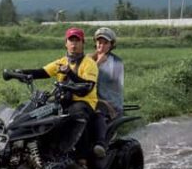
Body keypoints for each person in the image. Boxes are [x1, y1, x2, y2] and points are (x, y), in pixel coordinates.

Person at [16, 27, 98, 157]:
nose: (74, 44)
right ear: (66, 43)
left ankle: (80, 155)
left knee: (74, 115)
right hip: (63, 100)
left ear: (83, 43)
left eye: (77, 41)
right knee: (36, 111)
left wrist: (69, 73)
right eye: (71, 40)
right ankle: (32, 145)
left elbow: (87, 88)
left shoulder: (89, 63)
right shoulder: (61, 62)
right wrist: (20, 72)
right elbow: (41, 72)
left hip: (84, 101)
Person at [90, 27, 125, 158]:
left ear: (111, 45)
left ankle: (101, 146)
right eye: (99, 42)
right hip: (91, 100)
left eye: (105, 43)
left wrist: (97, 64)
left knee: (97, 113)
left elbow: (109, 81)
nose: (101, 45)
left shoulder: (116, 62)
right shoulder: (88, 58)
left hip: (109, 103)